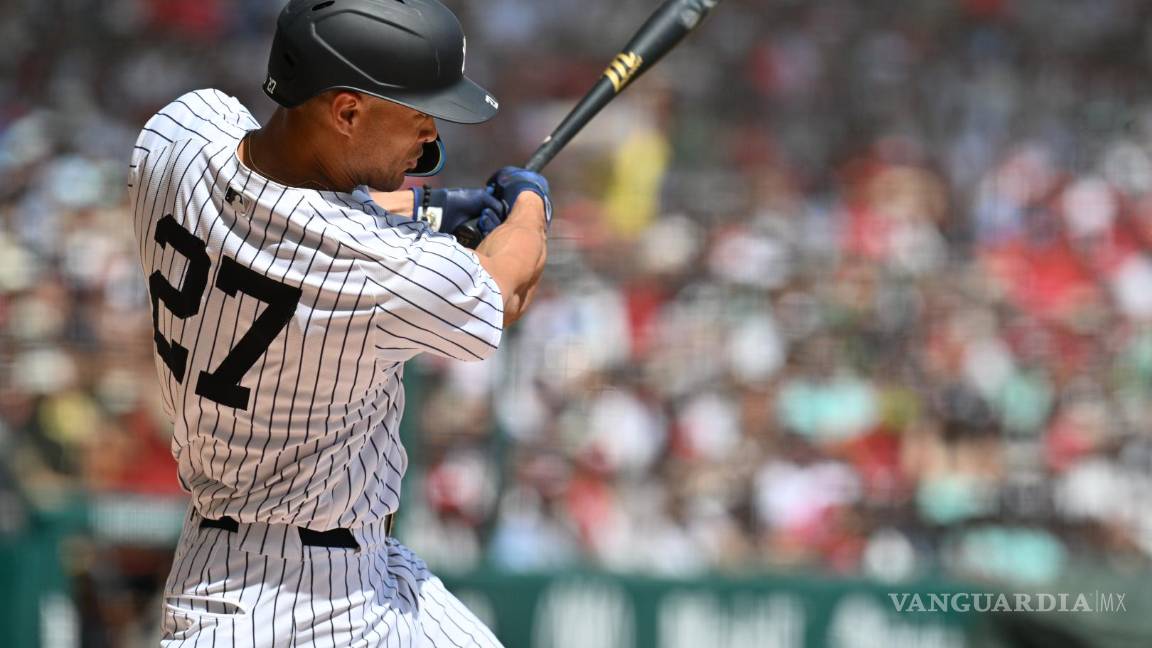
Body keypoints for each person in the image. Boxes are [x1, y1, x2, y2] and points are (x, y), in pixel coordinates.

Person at [125, 0, 550, 645]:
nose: (433, 136)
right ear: (348, 110)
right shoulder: (375, 272)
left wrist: (426, 206)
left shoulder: (174, 137)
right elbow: (507, 287)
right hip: (288, 610)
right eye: (420, 116)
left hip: (269, 567)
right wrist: (527, 205)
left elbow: (286, 183)